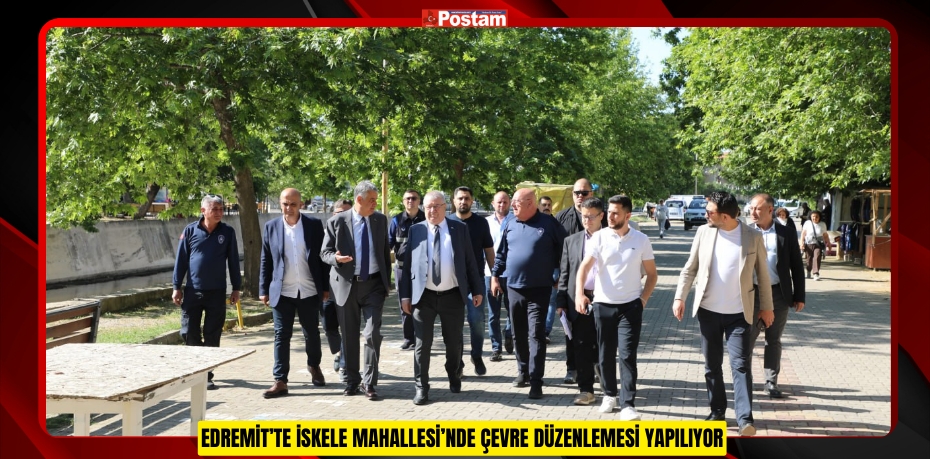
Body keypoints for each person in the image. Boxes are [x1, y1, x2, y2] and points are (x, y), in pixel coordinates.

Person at [672, 191, 774, 436]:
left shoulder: (752, 236)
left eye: (710, 211)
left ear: (725, 216)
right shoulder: (703, 232)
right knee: (712, 365)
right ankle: (717, 412)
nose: (705, 214)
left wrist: (767, 307)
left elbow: (763, 275)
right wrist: (679, 297)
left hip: (739, 313)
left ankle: (745, 419)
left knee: (740, 365)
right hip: (708, 311)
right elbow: (690, 268)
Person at [575, 195, 658, 420]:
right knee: (605, 354)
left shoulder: (641, 240)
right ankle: (609, 394)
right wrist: (579, 294)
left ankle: (628, 404)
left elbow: (652, 275)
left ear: (627, 215)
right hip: (603, 305)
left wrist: (643, 300)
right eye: (609, 212)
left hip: (630, 307)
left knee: (628, 355)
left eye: (615, 213)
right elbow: (584, 268)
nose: (610, 217)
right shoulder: (599, 237)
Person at [399, 191, 485, 405]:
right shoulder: (416, 230)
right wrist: (405, 296)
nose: (432, 211)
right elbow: (407, 265)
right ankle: (421, 387)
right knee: (422, 344)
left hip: (452, 296)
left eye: (436, 206)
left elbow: (470, 261)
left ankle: (454, 374)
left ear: (445, 207)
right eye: (428, 207)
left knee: (454, 343)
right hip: (423, 297)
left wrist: (477, 290)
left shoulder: (459, 229)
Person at [491, 188, 567, 399]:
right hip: (514, 288)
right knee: (518, 332)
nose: (512, 205)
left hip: (540, 289)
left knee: (536, 334)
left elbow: (565, 250)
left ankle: (536, 381)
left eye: (516, 202)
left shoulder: (549, 224)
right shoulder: (510, 223)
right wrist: (495, 277)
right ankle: (522, 370)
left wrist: (561, 275)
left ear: (530, 203)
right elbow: (501, 254)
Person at [321, 180, 392, 400]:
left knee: (372, 334)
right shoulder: (337, 221)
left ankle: (368, 382)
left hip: (373, 286)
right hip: (346, 285)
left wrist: (386, 284)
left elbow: (384, 253)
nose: (375, 204)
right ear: (359, 199)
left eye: (376, 200)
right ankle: (352, 381)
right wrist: (336, 259)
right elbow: (324, 252)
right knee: (349, 335)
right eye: (372, 200)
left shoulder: (380, 220)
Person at [259, 188, 331, 398]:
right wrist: (263, 289)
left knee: (312, 332)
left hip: (309, 289)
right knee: (281, 335)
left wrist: (325, 287)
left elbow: (323, 258)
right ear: (280, 204)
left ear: (301, 204)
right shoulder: (271, 227)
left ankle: (314, 366)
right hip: (283, 291)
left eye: (293, 204)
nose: (288, 208)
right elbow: (266, 259)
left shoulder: (313, 225)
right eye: (285, 204)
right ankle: (280, 380)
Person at [172, 194, 242, 391]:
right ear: (203, 211)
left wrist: (236, 288)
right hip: (193, 291)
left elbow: (233, 262)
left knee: (212, 334)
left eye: (221, 209)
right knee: (189, 331)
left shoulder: (227, 232)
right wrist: (176, 287)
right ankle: (196, 371)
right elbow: (181, 260)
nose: (219, 212)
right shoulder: (190, 230)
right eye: (214, 209)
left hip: (217, 292)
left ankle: (206, 376)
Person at [747, 194, 806, 399]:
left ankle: (771, 382)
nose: (753, 212)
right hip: (751, 293)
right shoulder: (745, 232)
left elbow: (796, 266)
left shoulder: (786, 233)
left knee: (773, 339)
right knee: (747, 338)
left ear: (770, 210)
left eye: (757, 209)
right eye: (751, 208)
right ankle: (744, 380)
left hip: (778, 293)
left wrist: (799, 295)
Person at [555, 197, 604, 407]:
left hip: (605, 298)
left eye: (591, 217)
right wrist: (561, 302)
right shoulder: (572, 241)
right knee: (581, 345)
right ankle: (586, 390)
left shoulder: (611, 238)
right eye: (584, 216)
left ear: (601, 216)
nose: (587, 221)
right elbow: (565, 273)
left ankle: (607, 384)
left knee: (604, 344)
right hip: (579, 299)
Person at [448, 186, 495, 376]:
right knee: (455, 324)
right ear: (453, 201)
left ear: (472, 200)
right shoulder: (447, 222)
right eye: (460, 198)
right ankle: (457, 362)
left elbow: (489, 251)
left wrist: (495, 277)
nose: (463, 201)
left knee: (477, 320)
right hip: (452, 281)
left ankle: (476, 355)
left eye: (466, 198)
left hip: (476, 281)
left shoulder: (481, 223)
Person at [389, 189, 425, 351]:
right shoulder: (396, 220)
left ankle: (421, 338)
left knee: (422, 304)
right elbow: (388, 244)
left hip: (422, 269)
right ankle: (408, 338)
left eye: (414, 198)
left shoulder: (426, 218)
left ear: (419, 201)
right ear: (403, 201)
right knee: (404, 304)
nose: (411, 201)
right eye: (407, 198)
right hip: (402, 269)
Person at [321, 199, 353, 380]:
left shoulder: (353, 235)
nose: (342, 217)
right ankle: (339, 352)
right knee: (328, 325)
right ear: (333, 214)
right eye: (339, 213)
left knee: (347, 327)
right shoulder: (324, 233)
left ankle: (344, 365)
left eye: (346, 213)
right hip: (327, 289)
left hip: (346, 287)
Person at [486, 191, 516, 359]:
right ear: (493, 203)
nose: (502, 205)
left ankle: (509, 333)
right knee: (493, 313)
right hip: (489, 273)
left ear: (509, 203)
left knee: (513, 310)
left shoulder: (515, 220)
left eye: (505, 202)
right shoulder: (486, 223)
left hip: (510, 273)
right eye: (499, 202)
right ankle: (496, 348)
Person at [799, 210, 829, 281]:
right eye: (813, 216)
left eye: (816, 217)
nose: (815, 218)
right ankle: (808, 270)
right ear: (810, 217)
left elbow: (825, 235)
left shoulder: (822, 224)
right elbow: (803, 234)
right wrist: (801, 243)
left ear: (819, 217)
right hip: (808, 243)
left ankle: (816, 273)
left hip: (818, 244)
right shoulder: (807, 223)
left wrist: (829, 244)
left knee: (817, 257)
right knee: (809, 259)